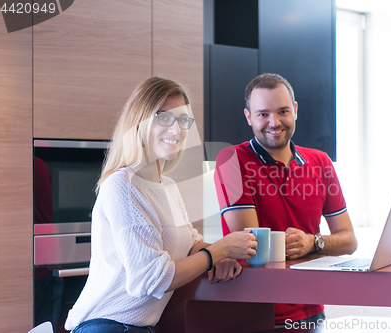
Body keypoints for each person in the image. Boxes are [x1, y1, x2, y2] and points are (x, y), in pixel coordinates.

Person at [65, 77, 257, 333]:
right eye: (164, 118)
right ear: (139, 121)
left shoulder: (167, 186)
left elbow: (189, 243)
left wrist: (219, 252)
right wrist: (217, 252)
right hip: (106, 325)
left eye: (183, 120)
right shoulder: (122, 185)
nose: (176, 129)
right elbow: (151, 277)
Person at [214, 73, 358, 327]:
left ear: (295, 110)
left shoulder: (321, 162)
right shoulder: (230, 160)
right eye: (263, 114)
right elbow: (252, 245)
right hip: (254, 314)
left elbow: (349, 240)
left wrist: (314, 242)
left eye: (282, 111)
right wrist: (308, 245)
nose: (274, 122)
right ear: (248, 117)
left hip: (312, 310)